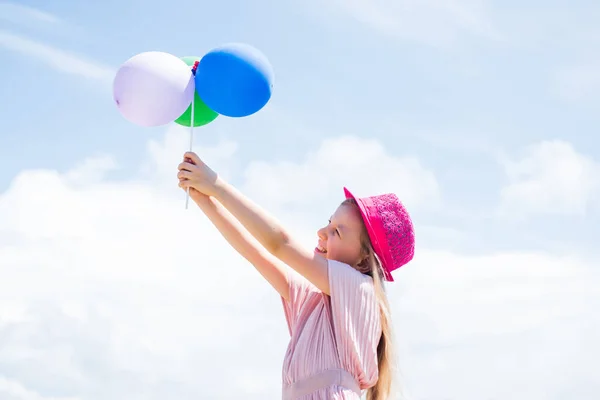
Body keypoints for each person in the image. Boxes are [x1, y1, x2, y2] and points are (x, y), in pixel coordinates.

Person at [177, 151, 415, 400]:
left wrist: (216, 185)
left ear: (364, 260)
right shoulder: (314, 298)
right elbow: (255, 252)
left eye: (336, 232)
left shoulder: (360, 290)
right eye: (328, 222)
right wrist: (204, 198)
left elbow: (279, 243)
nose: (322, 232)